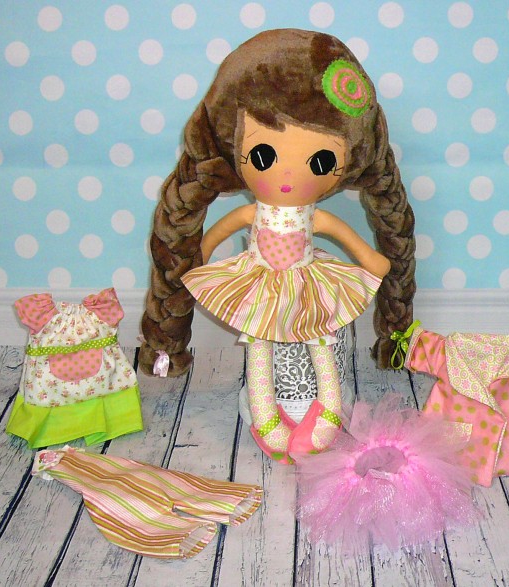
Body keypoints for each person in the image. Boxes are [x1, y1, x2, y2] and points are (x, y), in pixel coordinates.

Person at [140, 29, 416, 461]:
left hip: (308, 280)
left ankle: (327, 411)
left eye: (321, 162)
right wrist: (198, 257)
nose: (287, 177)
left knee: (321, 339)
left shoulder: (314, 217)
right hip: (260, 282)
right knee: (260, 345)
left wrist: (371, 260)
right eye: (264, 156)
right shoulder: (254, 211)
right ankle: (265, 414)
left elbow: (346, 238)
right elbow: (219, 231)